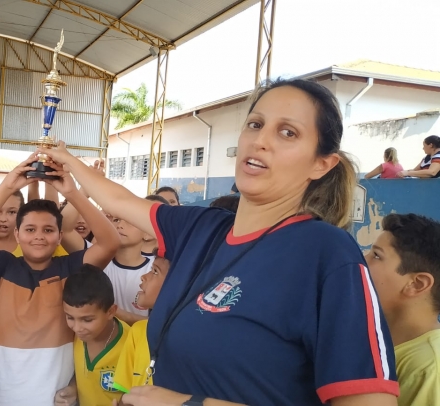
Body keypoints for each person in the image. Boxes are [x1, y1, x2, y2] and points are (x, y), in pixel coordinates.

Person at [41, 78, 399, 406]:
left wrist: (186, 403)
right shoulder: (202, 228)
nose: (260, 140)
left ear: (322, 163)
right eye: (255, 125)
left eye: (288, 133)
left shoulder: (326, 254)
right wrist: (67, 162)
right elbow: (120, 202)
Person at [0, 156, 120, 406]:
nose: (39, 237)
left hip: (52, 400)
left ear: (59, 236)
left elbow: (110, 243)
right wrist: (8, 187)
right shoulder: (2, 267)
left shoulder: (72, 267)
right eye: (30, 229)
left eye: (48, 230)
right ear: (17, 234)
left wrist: (73, 193)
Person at [366, 213, 440, 406]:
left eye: (376, 255)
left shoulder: (429, 368)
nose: (362, 261)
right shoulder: (374, 338)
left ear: (417, 284)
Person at [59, 267, 130, 406]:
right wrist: (73, 388)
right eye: (70, 317)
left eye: (87, 320)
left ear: (110, 312)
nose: (77, 328)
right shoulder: (72, 335)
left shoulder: (131, 344)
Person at [113, 250, 170, 394]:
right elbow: (124, 393)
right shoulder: (138, 331)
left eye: (155, 272)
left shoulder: (190, 341)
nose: (144, 277)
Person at [104, 212, 155, 326]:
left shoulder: (156, 269)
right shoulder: (99, 262)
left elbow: (160, 322)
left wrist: (121, 315)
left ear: (147, 234)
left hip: (141, 341)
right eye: (116, 220)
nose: (120, 225)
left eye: (130, 221)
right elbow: (67, 231)